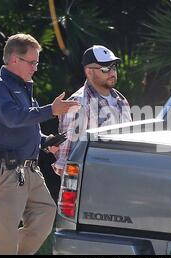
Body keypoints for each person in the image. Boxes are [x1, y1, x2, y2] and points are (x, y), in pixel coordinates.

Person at [0, 33, 80, 255]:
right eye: (32, 62)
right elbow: (13, 118)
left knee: (46, 213)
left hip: (30, 171)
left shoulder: (25, 87)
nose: (35, 67)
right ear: (15, 59)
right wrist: (51, 110)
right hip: (5, 172)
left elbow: (28, 125)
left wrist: (46, 142)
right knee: (5, 235)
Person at [53, 45, 132, 176]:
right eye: (105, 69)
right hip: (92, 181)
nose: (112, 73)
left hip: (121, 177)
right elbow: (65, 161)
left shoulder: (121, 101)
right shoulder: (78, 103)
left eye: (113, 67)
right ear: (89, 72)